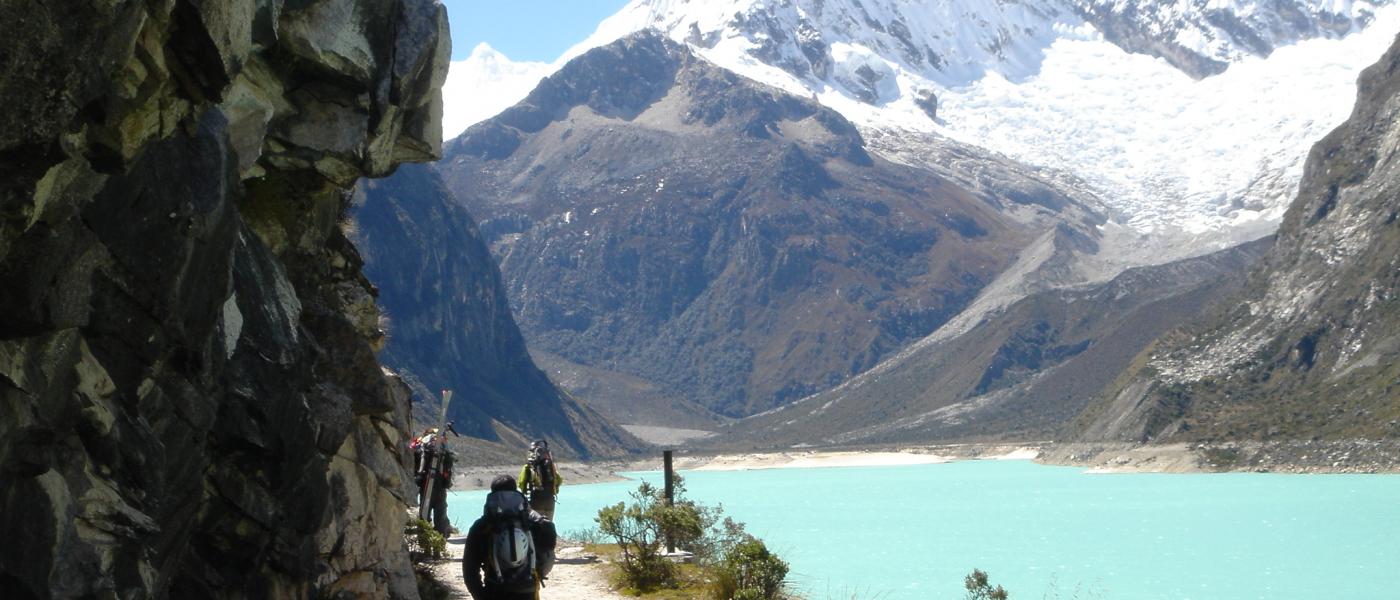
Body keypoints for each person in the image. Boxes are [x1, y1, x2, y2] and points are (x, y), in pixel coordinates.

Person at [463, 475, 557, 600]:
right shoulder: (532, 520)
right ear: (515, 490)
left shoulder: (482, 526)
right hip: (528, 590)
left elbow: (469, 569)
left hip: (495, 590)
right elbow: (549, 546)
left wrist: (480, 595)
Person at [414, 427, 455, 535]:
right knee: (440, 512)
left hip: (425, 485)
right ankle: (440, 540)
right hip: (440, 485)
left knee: (424, 513)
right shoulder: (442, 448)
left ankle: (424, 540)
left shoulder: (423, 446)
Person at [518, 440, 562, 520]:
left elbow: (521, 483)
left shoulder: (528, 467)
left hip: (536, 499)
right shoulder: (551, 466)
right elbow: (558, 480)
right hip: (550, 500)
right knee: (548, 524)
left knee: (536, 526)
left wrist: (525, 492)